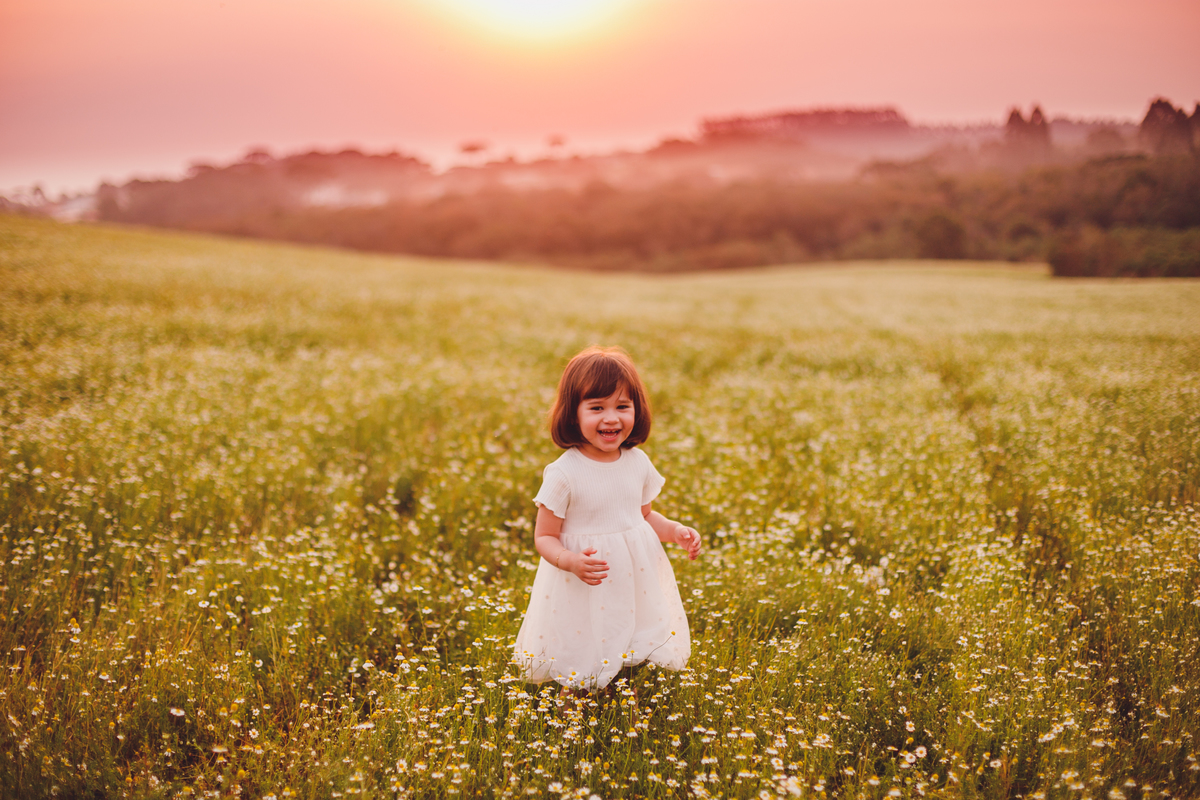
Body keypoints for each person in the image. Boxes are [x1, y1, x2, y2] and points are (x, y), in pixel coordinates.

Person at [512, 346, 702, 692]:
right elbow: (544, 537)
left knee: (629, 625)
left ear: (637, 410)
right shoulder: (564, 474)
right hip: (584, 578)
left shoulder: (637, 461)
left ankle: (623, 684)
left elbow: (642, 514)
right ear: (573, 414)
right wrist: (569, 561)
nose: (611, 418)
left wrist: (674, 532)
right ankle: (574, 701)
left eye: (622, 406)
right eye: (596, 408)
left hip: (632, 573)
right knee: (581, 641)